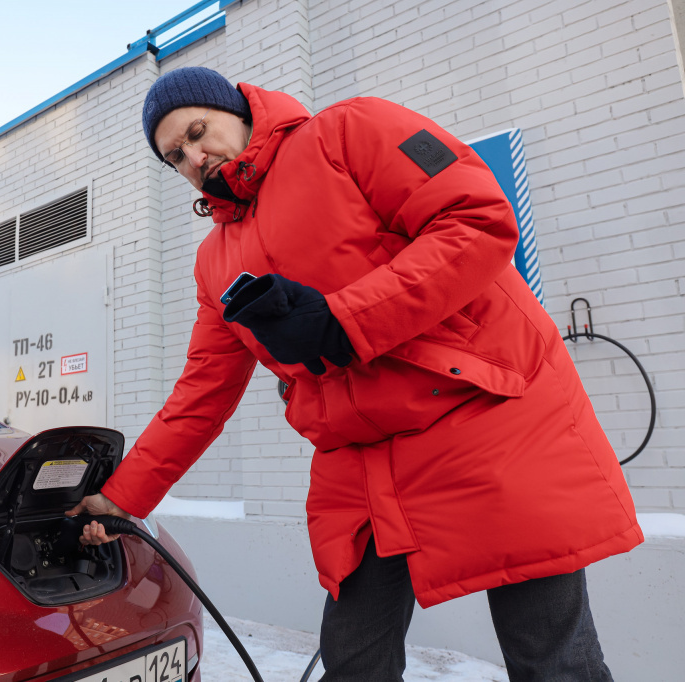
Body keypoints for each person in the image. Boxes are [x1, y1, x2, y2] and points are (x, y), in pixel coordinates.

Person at [66, 66, 642, 681]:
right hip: (362, 463)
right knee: (353, 658)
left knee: (550, 657)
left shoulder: (349, 132)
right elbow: (203, 391)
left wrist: (342, 322)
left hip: (488, 420)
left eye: (199, 132)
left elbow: (476, 218)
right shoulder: (216, 260)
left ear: (239, 109)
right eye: (175, 156)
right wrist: (122, 497)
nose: (194, 157)